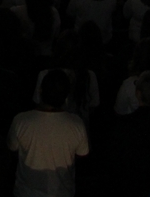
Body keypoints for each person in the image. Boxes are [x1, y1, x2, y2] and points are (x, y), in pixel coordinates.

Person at [7, 69, 90, 197]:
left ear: (40, 90)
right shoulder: (76, 124)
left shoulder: (21, 121)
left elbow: (12, 150)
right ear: (66, 95)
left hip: (26, 192)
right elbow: (82, 155)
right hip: (61, 192)